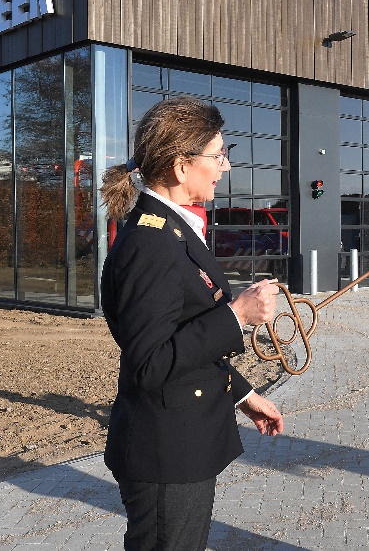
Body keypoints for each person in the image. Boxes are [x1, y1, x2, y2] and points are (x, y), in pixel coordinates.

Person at [99, 96, 284, 551]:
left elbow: (183, 333)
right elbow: (150, 361)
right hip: (166, 455)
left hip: (181, 443)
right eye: (218, 155)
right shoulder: (152, 242)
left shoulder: (172, 229)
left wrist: (242, 394)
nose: (225, 166)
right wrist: (237, 315)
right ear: (182, 166)